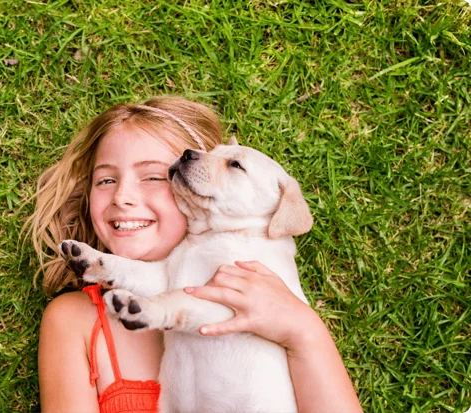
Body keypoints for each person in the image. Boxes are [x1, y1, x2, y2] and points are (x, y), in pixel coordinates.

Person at [27, 97, 363, 413]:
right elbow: (167, 281)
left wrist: (303, 329)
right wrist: (104, 267)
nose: (123, 196)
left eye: (155, 176)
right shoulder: (74, 319)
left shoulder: (275, 298)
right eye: (106, 180)